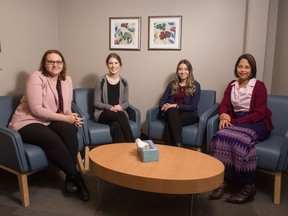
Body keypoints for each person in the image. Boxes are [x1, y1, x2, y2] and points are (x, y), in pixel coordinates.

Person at [8, 50, 89, 202]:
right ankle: (78, 178)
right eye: (50, 61)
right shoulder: (36, 78)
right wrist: (65, 118)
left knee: (70, 129)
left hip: (48, 120)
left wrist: (71, 117)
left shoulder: (67, 80)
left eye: (58, 62)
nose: (55, 65)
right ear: (44, 63)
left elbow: (66, 105)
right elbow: (36, 110)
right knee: (50, 137)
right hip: (27, 121)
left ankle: (69, 178)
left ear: (63, 64)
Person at [209, 54, 273, 204]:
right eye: (240, 66)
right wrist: (224, 115)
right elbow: (224, 104)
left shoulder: (259, 86)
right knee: (220, 135)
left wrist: (235, 121)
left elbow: (259, 113)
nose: (243, 69)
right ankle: (224, 181)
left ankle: (247, 186)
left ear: (252, 69)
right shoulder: (232, 85)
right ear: (236, 68)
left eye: (247, 67)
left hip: (258, 122)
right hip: (238, 121)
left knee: (240, 139)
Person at [94, 53, 134, 143]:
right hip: (103, 113)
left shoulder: (124, 82)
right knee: (120, 115)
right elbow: (96, 103)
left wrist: (120, 107)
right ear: (107, 65)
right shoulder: (101, 81)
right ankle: (132, 143)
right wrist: (110, 108)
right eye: (110, 63)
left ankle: (121, 153)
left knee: (116, 126)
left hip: (117, 114)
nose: (113, 66)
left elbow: (126, 102)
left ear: (120, 65)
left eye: (116, 63)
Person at [159, 59, 201, 147]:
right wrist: (164, 105)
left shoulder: (195, 85)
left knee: (169, 124)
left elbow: (193, 107)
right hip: (172, 112)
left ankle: (168, 150)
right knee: (172, 111)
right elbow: (162, 100)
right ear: (177, 71)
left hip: (189, 114)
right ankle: (179, 146)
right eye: (180, 69)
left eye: (186, 69)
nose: (183, 72)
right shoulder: (172, 84)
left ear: (189, 71)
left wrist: (175, 105)